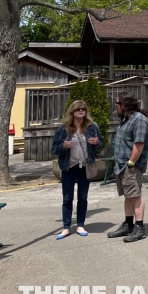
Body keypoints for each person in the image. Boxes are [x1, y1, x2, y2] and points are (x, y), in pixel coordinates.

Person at [51, 101, 103, 239]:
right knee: (67, 198)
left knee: (83, 197)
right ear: (72, 112)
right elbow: (54, 149)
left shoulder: (92, 127)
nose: (81, 111)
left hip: (85, 167)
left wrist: (97, 143)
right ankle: (66, 227)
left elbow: (101, 143)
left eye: (83, 109)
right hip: (69, 167)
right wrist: (64, 146)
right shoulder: (63, 129)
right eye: (78, 109)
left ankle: (80, 225)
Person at [107, 92, 148, 243]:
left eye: (117, 104)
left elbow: (139, 144)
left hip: (131, 165)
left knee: (135, 195)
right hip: (121, 166)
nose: (115, 107)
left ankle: (140, 227)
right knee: (128, 195)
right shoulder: (126, 119)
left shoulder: (139, 120)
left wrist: (131, 163)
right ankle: (129, 224)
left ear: (125, 105)